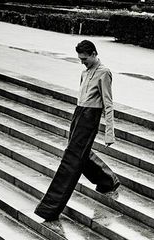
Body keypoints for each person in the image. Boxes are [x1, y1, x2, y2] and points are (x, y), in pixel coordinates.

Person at [34, 40, 120, 222]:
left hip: (90, 118)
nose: (82, 62)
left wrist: (109, 132)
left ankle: (50, 208)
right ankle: (107, 180)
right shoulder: (84, 72)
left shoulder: (104, 73)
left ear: (94, 54)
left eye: (85, 58)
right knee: (80, 154)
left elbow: (108, 104)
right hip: (79, 114)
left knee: (72, 160)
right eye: (80, 59)